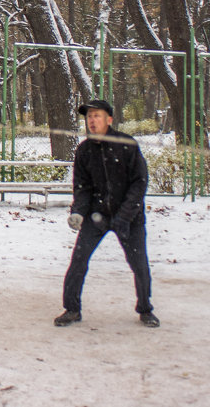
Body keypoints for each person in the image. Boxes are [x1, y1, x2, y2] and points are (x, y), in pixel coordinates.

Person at [54, 98, 159, 329]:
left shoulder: (127, 144)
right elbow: (82, 188)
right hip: (96, 216)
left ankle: (145, 309)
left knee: (139, 264)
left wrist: (124, 216)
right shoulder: (84, 151)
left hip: (129, 218)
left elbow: (139, 184)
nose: (92, 121)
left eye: (97, 116)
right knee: (78, 261)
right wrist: (78, 212)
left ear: (109, 119)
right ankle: (72, 309)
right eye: (89, 117)